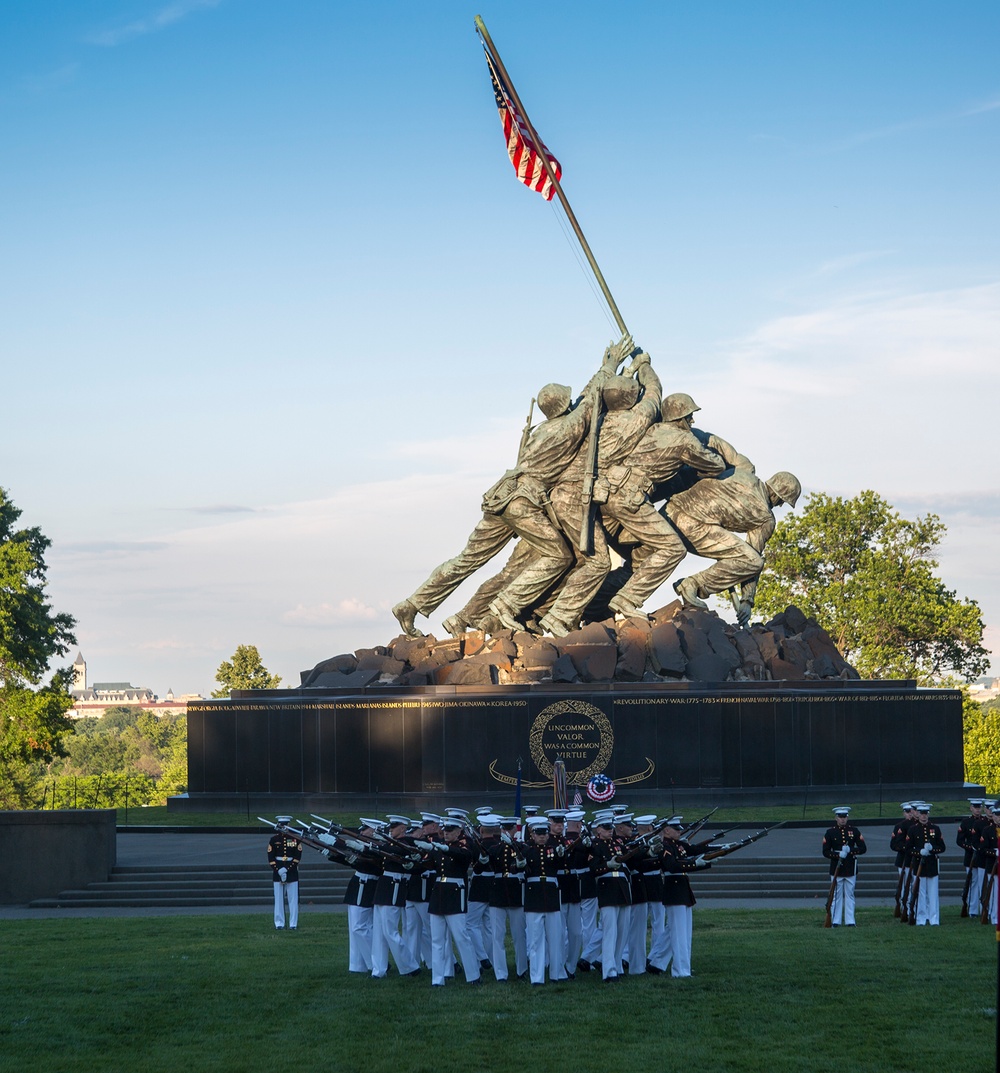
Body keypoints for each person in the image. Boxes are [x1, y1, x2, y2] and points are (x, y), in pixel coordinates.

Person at [668, 464, 801, 627]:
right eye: (782, 501)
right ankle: (692, 584)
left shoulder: (741, 474)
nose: (780, 505)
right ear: (777, 495)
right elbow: (752, 559)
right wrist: (747, 600)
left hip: (669, 511)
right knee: (753, 561)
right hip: (693, 525)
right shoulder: (766, 517)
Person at [416, 818, 482, 987]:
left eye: (451, 831)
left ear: (459, 832)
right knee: (437, 940)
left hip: (454, 893)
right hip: (438, 893)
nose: (446, 833)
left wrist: (446, 848)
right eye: (445, 830)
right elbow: (426, 864)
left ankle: (473, 975)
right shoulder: (438, 848)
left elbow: (466, 856)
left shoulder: (463, 847)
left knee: (461, 937)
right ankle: (438, 978)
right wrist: (418, 857)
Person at [652, 816, 710, 977]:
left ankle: (658, 962)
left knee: (682, 932)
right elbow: (672, 866)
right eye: (676, 829)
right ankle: (680, 971)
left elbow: (695, 850)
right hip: (674, 890)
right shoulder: (664, 847)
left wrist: (712, 854)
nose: (679, 831)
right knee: (679, 935)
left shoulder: (677, 845)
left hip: (682, 890)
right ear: (666, 830)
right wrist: (696, 863)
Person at [370, 815, 420, 978]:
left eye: (394, 827)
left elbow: (400, 851)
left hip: (395, 886)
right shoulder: (389, 844)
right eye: (390, 827)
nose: (390, 829)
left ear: (403, 828)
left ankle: (410, 966)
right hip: (384, 886)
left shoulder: (407, 843)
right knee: (379, 932)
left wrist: (379, 845)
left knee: (390, 930)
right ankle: (378, 970)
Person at [521, 817, 568, 985]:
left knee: (556, 938)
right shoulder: (526, 851)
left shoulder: (554, 850)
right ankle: (537, 976)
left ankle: (556, 974)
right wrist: (520, 863)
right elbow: (517, 868)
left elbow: (562, 864)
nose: (542, 836)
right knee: (535, 940)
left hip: (551, 894)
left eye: (544, 834)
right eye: (538, 834)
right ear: (532, 835)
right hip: (534, 896)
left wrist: (562, 855)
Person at [822, 806, 867, 926]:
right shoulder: (830, 832)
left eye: (844, 817)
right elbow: (825, 851)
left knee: (850, 894)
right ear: (836, 818)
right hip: (836, 867)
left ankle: (850, 920)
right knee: (836, 895)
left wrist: (850, 850)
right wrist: (837, 854)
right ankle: (836, 921)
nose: (842, 819)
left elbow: (863, 848)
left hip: (850, 866)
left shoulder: (854, 831)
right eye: (840, 817)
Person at [903, 803, 946, 926]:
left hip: (932, 865)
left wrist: (933, 849)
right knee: (920, 894)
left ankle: (934, 919)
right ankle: (920, 919)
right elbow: (908, 848)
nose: (923, 816)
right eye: (921, 814)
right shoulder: (913, 829)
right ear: (918, 814)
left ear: (928, 814)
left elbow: (942, 847)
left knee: (933, 894)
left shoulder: (935, 828)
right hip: (918, 865)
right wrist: (918, 852)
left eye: (925, 813)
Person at [266, 816, 302, 930]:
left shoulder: (295, 839)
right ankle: (279, 923)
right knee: (279, 899)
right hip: (278, 871)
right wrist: (279, 869)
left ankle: (293, 924)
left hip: (291, 871)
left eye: (286, 825)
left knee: (293, 900)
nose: (284, 827)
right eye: (282, 825)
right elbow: (271, 858)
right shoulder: (274, 839)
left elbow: (297, 857)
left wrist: (287, 869)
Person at [958, 799, 986, 919]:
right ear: (971, 808)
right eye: (975, 807)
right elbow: (959, 840)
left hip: (983, 857)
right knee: (973, 883)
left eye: (979, 807)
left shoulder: (986, 822)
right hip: (971, 857)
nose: (977, 809)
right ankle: (973, 909)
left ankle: (983, 907)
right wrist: (971, 848)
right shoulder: (966, 822)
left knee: (983, 883)